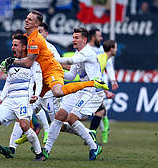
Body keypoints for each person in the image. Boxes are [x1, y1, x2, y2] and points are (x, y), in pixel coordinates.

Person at [0, 10, 109, 99]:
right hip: (41, 72)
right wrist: (10, 62)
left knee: (58, 92)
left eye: (30, 19)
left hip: (51, 70)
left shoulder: (35, 40)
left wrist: (11, 61)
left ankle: (92, 83)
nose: (26, 20)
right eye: (27, 18)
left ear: (37, 24)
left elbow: (28, 62)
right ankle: (35, 125)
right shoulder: (26, 37)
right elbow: (22, 57)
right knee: (28, 99)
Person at [43, 28, 114, 161]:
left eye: (76, 37)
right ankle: (46, 149)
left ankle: (93, 146)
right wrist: (56, 71)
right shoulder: (78, 53)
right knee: (59, 116)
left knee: (71, 118)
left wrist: (52, 59)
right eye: (73, 37)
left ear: (85, 40)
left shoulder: (87, 52)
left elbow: (70, 61)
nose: (73, 39)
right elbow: (70, 75)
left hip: (93, 92)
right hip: (81, 90)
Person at [88, 28, 118, 143]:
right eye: (99, 36)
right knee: (98, 112)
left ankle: (96, 135)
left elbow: (109, 66)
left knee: (101, 111)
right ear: (93, 37)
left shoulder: (102, 52)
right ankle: (93, 135)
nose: (101, 38)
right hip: (90, 85)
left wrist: (113, 80)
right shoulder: (86, 50)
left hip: (98, 85)